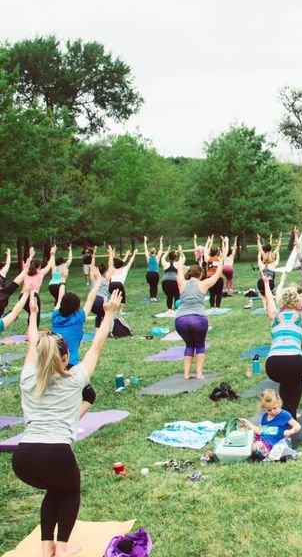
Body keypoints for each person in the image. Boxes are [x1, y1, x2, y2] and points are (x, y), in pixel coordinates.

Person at [13, 290, 120, 557]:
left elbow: (30, 346)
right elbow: (97, 344)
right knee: (70, 490)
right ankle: (62, 547)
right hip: (55, 452)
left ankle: (46, 545)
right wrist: (108, 313)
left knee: (55, 488)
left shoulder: (27, 377)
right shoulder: (75, 378)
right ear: (65, 357)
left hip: (23, 457)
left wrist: (35, 315)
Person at [260, 272, 302, 418]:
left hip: (272, 365)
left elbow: (270, 300)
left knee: (286, 381)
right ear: (298, 301)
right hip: (294, 363)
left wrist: (266, 284)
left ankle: (283, 413)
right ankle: (290, 415)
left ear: (282, 302)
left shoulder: (275, 316)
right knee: (295, 382)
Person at [52, 281, 100, 418]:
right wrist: (98, 281)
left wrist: (62, 281)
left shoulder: (55, 316)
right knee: (89, 395)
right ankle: (71, 420)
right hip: (69, 363)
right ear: (76, 308)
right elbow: (91, 298)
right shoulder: (78, 318)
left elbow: (60, 299)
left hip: (52, 363)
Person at [175, 249, 222, 380]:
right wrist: (221, 260)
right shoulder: (204, 283)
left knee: (189, 345)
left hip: (181, 320)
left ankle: (186, 374)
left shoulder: (182, 283)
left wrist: (181, 259)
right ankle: (199, 374)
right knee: (200, 345)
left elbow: (178, 270)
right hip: (198, 319)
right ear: (200, 274)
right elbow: (217, 275)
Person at [239, 389, 302, 459]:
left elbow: (297, 426)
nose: (272, 411)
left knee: (253, 446)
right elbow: (260, 431)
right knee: (245, 431)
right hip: (261, 439)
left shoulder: (284, 415)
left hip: (270, 445)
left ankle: (247, 448)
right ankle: (242, 444)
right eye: (269, 410)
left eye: (274, 408)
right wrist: (248, 424)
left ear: (279, 403)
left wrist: (290, 431)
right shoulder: (265, 416)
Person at [206, 239, 227, 309]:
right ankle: (217, 307)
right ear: (217, 252)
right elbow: (224, 251)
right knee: (219, 293)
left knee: (212, 293)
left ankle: (212, 306)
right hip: (218, 278)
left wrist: (208, 242)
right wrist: (225, 242)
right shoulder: (219, 258)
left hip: (210, 278)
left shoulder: (208, 258)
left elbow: (205, 250)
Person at [142, 236, 163, 303]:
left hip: (149, 274)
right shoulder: (157, 257)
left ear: (150, 252)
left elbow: (145, 249)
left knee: (151, 286)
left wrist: (145, 241)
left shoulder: (148, 257)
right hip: (155, 273)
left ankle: (151, 297)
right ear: (155, 252)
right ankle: (154, 297)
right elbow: (161, 249)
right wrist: (160, 240)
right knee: (155, 285)